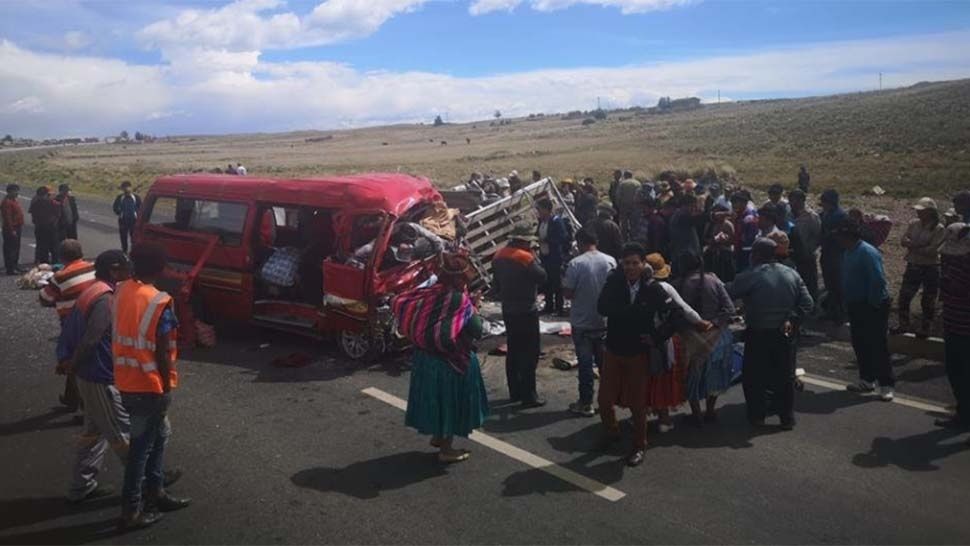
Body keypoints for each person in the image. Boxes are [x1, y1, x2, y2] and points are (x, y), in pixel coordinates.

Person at [114, 243, 191, 531]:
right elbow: (162, 350)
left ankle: (156, 492)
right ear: (161, 269)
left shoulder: (122, 290)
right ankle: (131, 511)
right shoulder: (159, 301)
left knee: (157, 439)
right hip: (149, 385)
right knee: (141, 450)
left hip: (125, 379)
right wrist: (166, 386)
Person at [597, 243, 684, 466]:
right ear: (621, 264)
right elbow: (602, 307)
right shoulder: (614, 283)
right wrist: (631, 312)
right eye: (626, 263)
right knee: (604, 400)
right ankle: (612, 432)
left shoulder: (652, 288)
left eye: (635, 263)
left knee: (638, 404)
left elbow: (676, 315)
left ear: (643, 264)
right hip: (613, 349)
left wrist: (657, 337)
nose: (630, 267)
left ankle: (639, 445)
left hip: (637, 353)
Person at [398, 251, 489, 463]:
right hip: (450, 361)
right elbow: (477, 330)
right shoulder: (459, 300)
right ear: (459, 278)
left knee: (436, 401)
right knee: (450, 402)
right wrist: (474, 308)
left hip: (424, 359)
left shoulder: (428, 292)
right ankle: (446, 449)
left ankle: (438, 436)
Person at [59, 250, 132, 502]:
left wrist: (68, 361)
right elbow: (92, 338)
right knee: (121, 432)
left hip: (86, 373)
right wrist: (73, 365)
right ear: (114, 270)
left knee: (93, 434)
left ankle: (81, 485)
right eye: (125, 268)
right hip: (97, 374)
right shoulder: (104, 298)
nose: (129, 272)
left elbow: (71, 329)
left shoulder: (92, 289)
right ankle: (149, 482)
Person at [728, 239, 814, 429]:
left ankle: (757, 416)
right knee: (784, 376)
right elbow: (808, 304)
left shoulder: (751, 275)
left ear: (757, 255)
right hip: (785, 334)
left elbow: (728, 292)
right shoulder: (792, 273)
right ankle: (787, 418)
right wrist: (791, 318)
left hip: (759, 333)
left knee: (754, 377)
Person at [645, 253, 711, 432]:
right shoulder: (665, 287)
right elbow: (684, 309)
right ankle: (664, 418)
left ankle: (649, 415)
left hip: (643, 338)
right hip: (662, 337)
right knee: (662, 377)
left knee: (648, 377)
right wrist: (700, 322)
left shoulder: (639, 286)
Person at [675, 252, 737, 425]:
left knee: (691, 377)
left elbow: (674, 315)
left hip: (689, 339)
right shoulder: (714, 281)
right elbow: (730, 309)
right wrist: (714, 322)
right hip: (717, 338)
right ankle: (710, 411)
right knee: (715, 376)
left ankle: (696, 414)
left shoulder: (677, 285)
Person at [836, 220, 895, 401]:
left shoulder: (867, 252)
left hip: (872, 304)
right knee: (860, 342)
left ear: (848, 236)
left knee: (877, 344)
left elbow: (877, 280)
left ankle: (886, 385)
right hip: (856, 304)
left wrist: (872, 304)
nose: (838, 240)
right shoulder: (848, 251)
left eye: (840, 236)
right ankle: (867, 379)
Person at [491, 224, 547, 407]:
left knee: (514, 350)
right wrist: (535, 257)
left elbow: (495, 285)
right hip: (526, 310)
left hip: (508, 309)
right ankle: (529, 395)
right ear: (524, 241)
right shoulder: (525, 257)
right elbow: (542, 277)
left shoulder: (498, 255)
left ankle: (514, 391)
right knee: (530, 353)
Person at [562, 229, 616, 417]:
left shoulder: (576, 263)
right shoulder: (610, 261)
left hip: (582, 322)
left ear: (580, 243)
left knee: (585, 366)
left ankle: (586, 403)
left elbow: (568, 293)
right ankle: (608, 401)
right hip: (604, 321)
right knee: (605, 366)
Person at [41, 239, 97, 414]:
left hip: (73, 323)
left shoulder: (60, 277)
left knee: (73, 360)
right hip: (95, 318)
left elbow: (44, 298)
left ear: (62, 257)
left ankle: (86, 409)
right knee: (80, 357)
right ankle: (71, 397)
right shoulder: (94, 268)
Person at [895, 197, 946, 338]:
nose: (918, 213)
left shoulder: (939, 228)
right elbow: (903, 240)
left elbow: (933, 251)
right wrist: (920, 246)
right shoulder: (914, 223)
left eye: (921, 210)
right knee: (904, 295)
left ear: (930, 212)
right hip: (913, 264)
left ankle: (926, 328)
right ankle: (903, 324)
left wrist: (913, 246)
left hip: (930, 267)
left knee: (928, 299)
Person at [937, 222, 970, 430]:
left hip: (966, 328)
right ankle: (963, 414)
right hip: (952, 323)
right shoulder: (949, 260)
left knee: (965, 374)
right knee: (955, 372)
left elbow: (955, 287)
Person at [535, 198, 568, 316]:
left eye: (539, 209)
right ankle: (549, 306)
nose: (538, 211)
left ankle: (559, 307)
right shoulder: (541, 221)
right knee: (547, 282)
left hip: (555, 257)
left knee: (556, 282)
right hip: (544, 256)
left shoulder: (556, 221)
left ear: (546, 209)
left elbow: (563, 237)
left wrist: (547, 240)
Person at [819, 189, 848, 322]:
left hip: (836, 255)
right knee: (830, 285)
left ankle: (840, 313)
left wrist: (827, 236)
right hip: (827, 253)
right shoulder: (827, 214)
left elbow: (839, 237)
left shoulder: (840, 216)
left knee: (837, 285)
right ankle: (832, 311)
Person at [788, 189, 821, 304]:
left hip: (807, 256)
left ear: (802, 201)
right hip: (792, 254)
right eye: (791, 200)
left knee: (809, 283)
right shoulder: (788, 214)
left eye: (795, 200)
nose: (792, 203)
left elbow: (817, 236)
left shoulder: (811, 216)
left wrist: (809, 250)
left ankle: (813, 307)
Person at [704, 204, 735, 282]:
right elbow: (705, 238)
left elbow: (732, 240)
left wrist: (725, 239)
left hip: (724, 253)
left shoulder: (728, 225)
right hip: (711, 252)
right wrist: (713, 240)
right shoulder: (710, 224)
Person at [29, 185, 59, 264]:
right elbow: (57, 215)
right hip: (50, 228)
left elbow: (33, 217)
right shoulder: (52, 203)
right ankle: (55, 263)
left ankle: (43, 262)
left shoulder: (35, 203)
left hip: (40, 228)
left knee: (42, 247)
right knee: (53, 247)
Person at [730, 190, 759, 273]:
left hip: (746, 253)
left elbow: (749, 240)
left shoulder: (748, 218)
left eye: (736, 202)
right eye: (732, 202)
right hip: (740, 251)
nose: (733, 205)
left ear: (744, 203)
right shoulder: (739, 215)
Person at [112, 182, 142, 253]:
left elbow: (141, 207)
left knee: (133, 237)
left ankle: (133, 251)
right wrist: (120, 213)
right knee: (123, 237)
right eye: (124, 188)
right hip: (123, 220)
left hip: (133, 220)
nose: (126, 189)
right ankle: (124, 251)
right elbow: (115, 207)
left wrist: (137, 214)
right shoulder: (120, 197)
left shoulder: (136, 198)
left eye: (128, 187)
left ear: (131, 188)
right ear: (122, 189)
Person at [2, 183, 25, 275]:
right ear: (10, 191)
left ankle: (15, 265)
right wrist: (12, 230)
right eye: (15, 191)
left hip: (17, 227)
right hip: (11, 228)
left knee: (16, 248)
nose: (17, 193)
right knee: (10, 249)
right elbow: (7, 218)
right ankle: (10, 269)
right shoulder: (7, 202)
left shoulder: (14, 200)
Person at [616, 171, 642, 238]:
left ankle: (624, 237)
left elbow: (618, 195)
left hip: (624, 205)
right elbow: (640, 194)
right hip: (635, 205)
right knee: (634, 222)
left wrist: (618, 205)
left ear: (625, 176)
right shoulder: (638, 183)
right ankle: (634, 236)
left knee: (624, 223)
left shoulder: (622, 183)